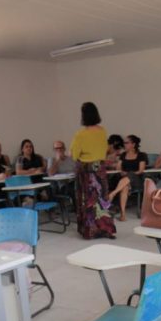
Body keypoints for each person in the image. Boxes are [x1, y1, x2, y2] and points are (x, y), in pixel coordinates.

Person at [70, 101, 117, 239]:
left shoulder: (80, 134)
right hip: (100, 169)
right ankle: (106, 229)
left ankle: (90, 230)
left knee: (88, 201)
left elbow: (74, 155)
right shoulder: (102, 131)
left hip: (86, 171)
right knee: (102, 199)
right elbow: (104, 150)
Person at [107, 134, 147, 221]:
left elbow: (141, 170)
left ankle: (113, 193)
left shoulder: (141, 155)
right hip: (124, 180)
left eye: (126, 143)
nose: (124, 145)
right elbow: (118, 167)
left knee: (131, 175)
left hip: (136, 180)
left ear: (133, 144)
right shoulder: (123, 155)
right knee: (124, 187)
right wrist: (121, 171)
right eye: (124, 143)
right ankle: (123, 214)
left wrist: (128, 174)